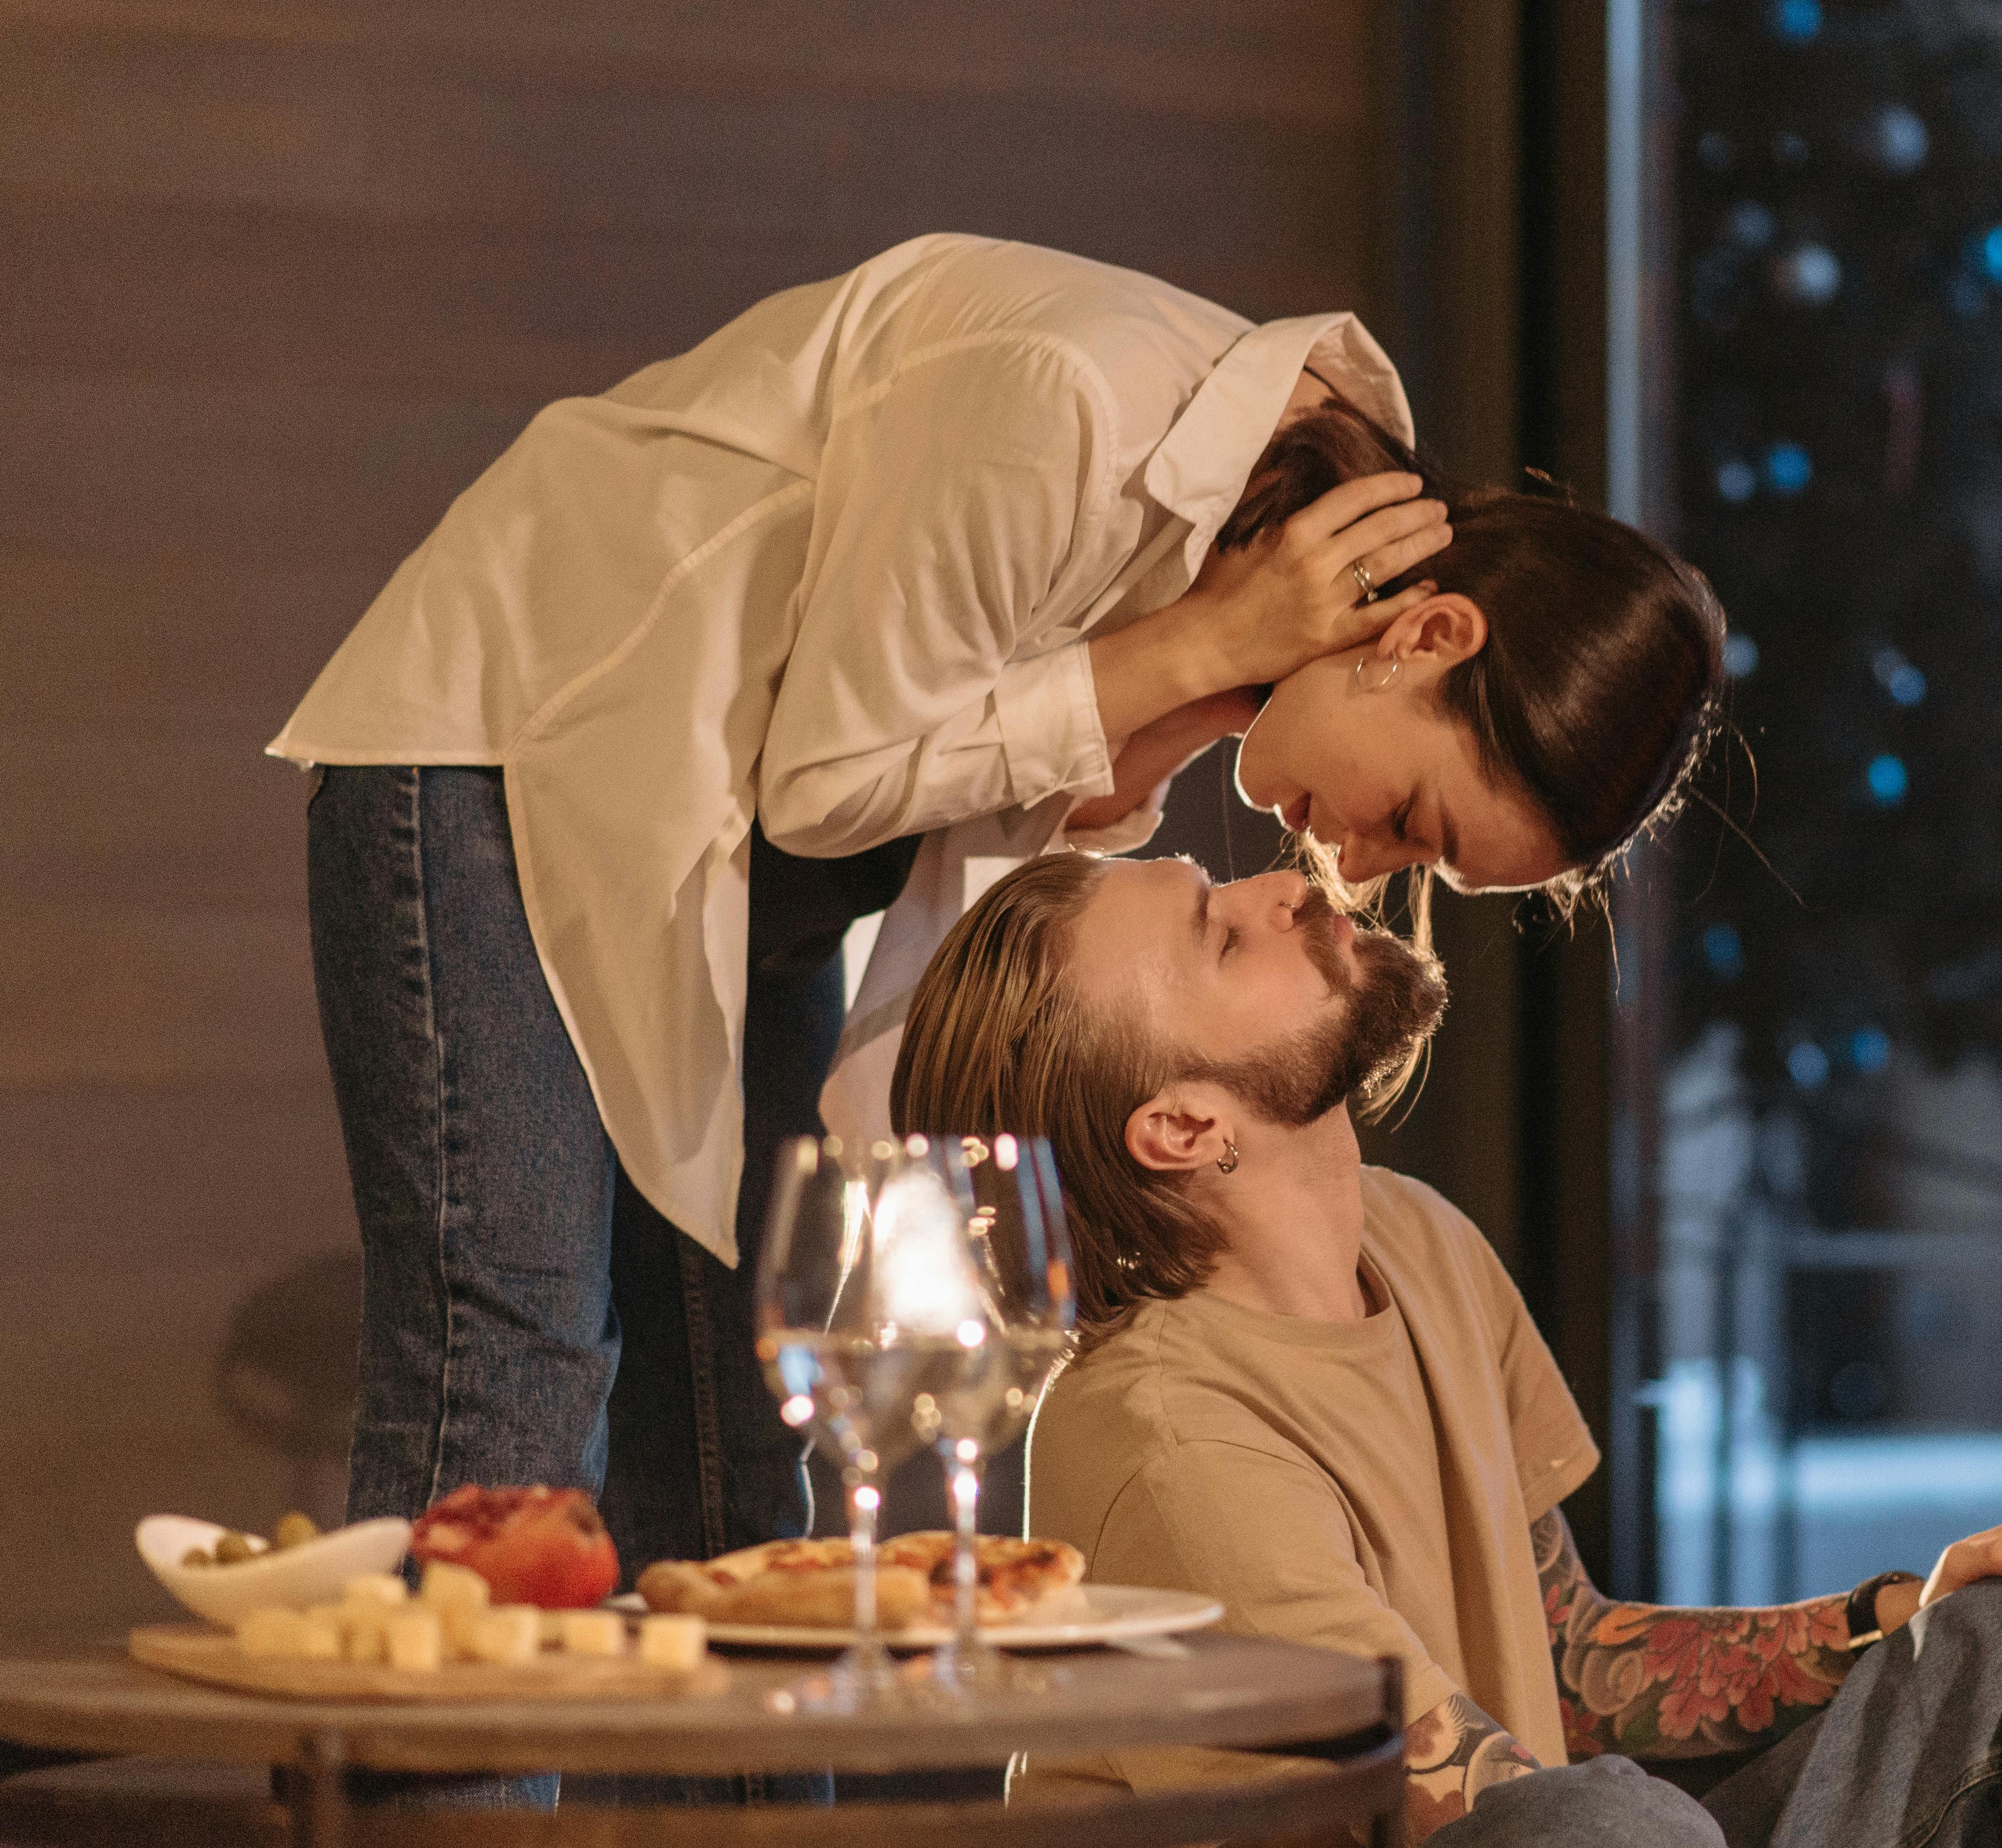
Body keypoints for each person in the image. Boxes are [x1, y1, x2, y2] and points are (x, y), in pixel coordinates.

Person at [270, 233, 1723, 1582]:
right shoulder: (1071, 407)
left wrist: (1183, 683)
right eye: (1411, 824)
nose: (1361, 869)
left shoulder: (1256, 555)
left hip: (720, 848)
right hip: (517, 743)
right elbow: (830, 782)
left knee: (732, 1460)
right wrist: (1193, 647)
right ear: (1427, 635)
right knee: (515, 1386)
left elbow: (950, 823)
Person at [890, 853, 2002, 1847]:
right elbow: (1455, 1791)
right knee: (1597, 1824)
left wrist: (1898, 1613)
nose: (1284, 884)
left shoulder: (1413, 1240)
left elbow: (1572, 1660)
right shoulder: (1159, 1432)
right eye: (1218, 931)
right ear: (1183, 1129)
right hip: (1500, 1838)